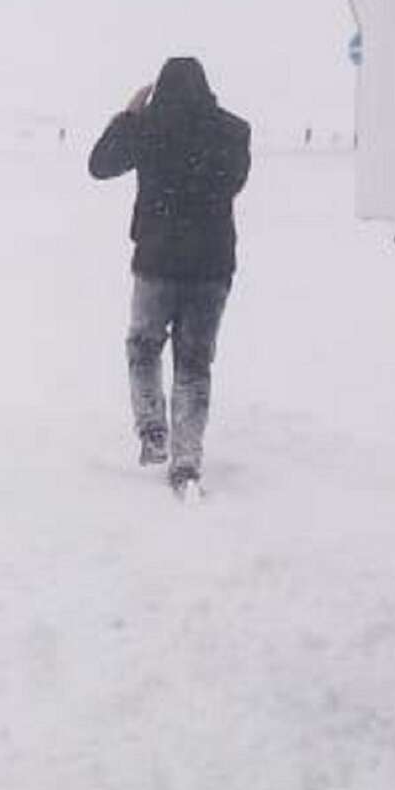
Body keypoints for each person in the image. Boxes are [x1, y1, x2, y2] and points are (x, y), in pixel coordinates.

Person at [87, 57, 251, 497]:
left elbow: (99, 165)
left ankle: (153, 432)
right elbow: (232, 183)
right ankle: (186, 461)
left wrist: (128, 116)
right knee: (195, 364)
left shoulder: (148, 128)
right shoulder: (234, 131)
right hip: (211, 267)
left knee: (143, 347)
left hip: (156, 262)